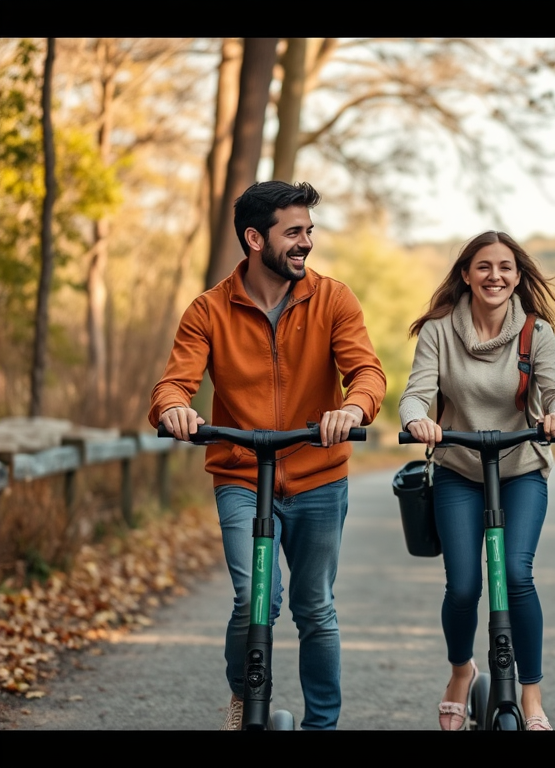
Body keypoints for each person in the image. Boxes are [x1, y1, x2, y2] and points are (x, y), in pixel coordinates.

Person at [149, 181, 386, 730]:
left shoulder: (333, 298)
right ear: (255, 239)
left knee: (315, 609)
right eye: (294, 232)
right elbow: (172, 385)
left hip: (319, 477)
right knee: (255, 598)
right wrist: (175, 410)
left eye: (309, 231)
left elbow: (367, 373)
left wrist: (353, 410)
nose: (306, 243)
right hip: (242, 474)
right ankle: (246, 702)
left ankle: (320, 725)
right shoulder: (208, 310)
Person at [399, 230, 555, 731]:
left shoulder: (535, 332)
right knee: (463, 587)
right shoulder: (439, 330)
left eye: (505, 268)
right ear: (466, 275)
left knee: (516, 577)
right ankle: (461, 672)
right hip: (458, 469)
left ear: (517, 277)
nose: (495, 276)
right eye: (484, 267)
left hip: (520, 469)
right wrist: (418, 420)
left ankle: (532, 694)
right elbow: (415, 394)